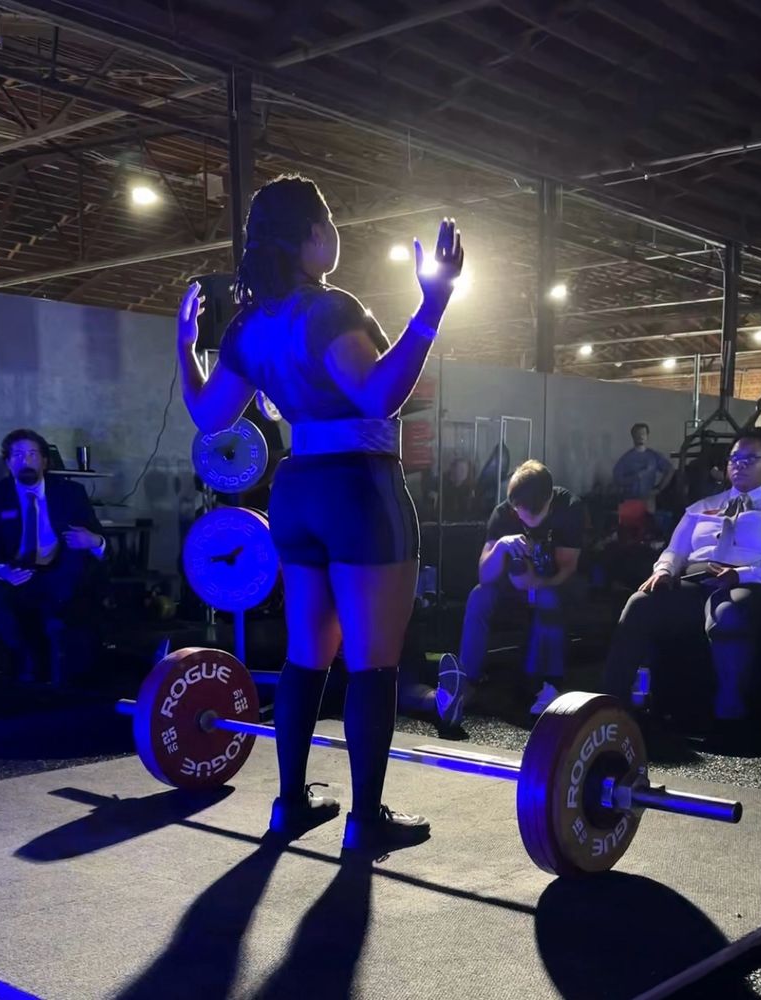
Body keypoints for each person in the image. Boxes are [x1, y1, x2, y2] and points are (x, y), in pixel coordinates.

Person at [176, 173, 463, 851]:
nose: (335, 236)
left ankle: (288, 806)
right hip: (358, 488)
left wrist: (185, 348)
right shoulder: (330, 309)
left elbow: (209, 416)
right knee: (371, 665)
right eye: (329, 224)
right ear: (309, 235)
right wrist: (433, 306)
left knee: (308, 657)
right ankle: (364, 821)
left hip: (297, 489)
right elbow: (377, 396)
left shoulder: (248, 326)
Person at [604, 433, 761, 733]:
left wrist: (741, 574)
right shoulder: (702, 507)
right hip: (698, 578)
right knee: (641, 604)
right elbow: (675, 549)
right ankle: (611, 703)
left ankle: (730, 707)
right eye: (734, 460)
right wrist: (664, 570)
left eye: (749, 460)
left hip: (757, 583)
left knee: (727, 613)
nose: (739, 465)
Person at [436, 460, 584, 727]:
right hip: (510, 587)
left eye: (533, 518)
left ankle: (547, 683)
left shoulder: (569, 509)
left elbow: (568, 568)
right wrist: (502, 547)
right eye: (521, 514)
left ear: (549, 500)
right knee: (478, 596)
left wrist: (536, 583)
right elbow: (485, 574)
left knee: (549, 599)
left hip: (551, 582)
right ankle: (466, 681)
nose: (524, 521)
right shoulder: (504, 513)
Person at [0, 429, 107, 685]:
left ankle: (54, 644)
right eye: (18, 455)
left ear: (45, 461)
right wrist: (3, 570)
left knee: (75, 565)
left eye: (33, 453)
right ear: (8, 462)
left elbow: (100, 540)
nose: (26, 460)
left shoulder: (71, 493)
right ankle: (24, 650)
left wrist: (93, 541)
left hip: (58, 573)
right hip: (16, 572)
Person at [613, 423, 674, 510]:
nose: (640, 436)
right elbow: (617, 478)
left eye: (643, 434)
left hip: (648, 501)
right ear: (633, 436)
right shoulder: (626, 459)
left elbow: (669, 469)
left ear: (647, 436)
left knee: (648, 522)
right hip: (629, 501)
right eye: (637, 434)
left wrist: (659, 488)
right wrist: (635, 477)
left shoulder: (653, 456)